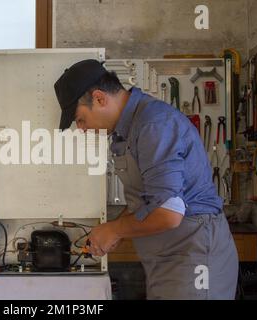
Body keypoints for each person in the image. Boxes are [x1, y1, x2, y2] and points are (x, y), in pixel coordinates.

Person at [54, 59, 239, 300]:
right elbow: (148, 201)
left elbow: (168, 213)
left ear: (99, 99)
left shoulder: (153, 125)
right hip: (170, 259)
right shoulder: (127, 130)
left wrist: (115, 230)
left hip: (192, 256)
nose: (81, 128)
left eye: (80, 119)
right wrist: (114, 231)